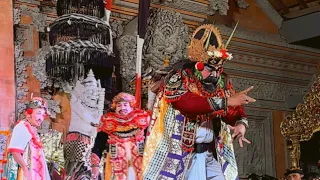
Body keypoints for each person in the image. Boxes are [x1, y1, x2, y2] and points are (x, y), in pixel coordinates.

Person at [142, 24, 255, 180]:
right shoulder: (180, 76)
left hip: (212, 151)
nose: (215, 75)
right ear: (198, 64)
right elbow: (187, 104)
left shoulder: (221, 81)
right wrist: (226, 101)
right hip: (184, 153)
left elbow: (233, 109)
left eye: (218, 70)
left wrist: (240, 124)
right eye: (210, 69)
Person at [91, 92, 150, 180]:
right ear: (115, 108)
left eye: (125, 105)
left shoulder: (141, 121)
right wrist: (95, 165)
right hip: (115, 165)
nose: (122, 108)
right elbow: (98, 145)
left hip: (139, 164)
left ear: (132, 107)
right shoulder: (108, 122)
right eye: (119, 105)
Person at [6, 97, 51, 180]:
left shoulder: (31, 128)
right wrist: (26, 170)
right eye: (38, 113)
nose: (41, 118)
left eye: (43, 114)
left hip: (34, 172)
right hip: (27, 174)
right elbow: (15, 151)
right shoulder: (22, 126)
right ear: (28, 114)